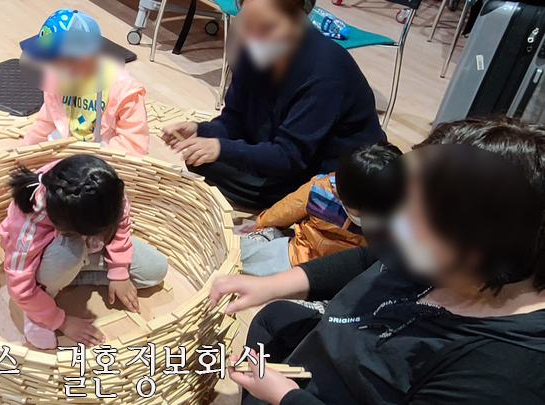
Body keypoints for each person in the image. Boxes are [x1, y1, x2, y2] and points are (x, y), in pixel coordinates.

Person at [210, 117, 545, 405]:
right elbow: (368, 259)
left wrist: (287, 397)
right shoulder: (438, 255)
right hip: (318, 361)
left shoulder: (501, 373)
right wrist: (268, 286)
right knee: (273, 319)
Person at [161, 0, 385, 209]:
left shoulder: (325, 71)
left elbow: (291, 156)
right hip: (284, 155)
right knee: (201, 159)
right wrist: (202, 131)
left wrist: (222, 149)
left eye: (265, 27)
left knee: (218, 157)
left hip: (332, 177)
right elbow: (235, 119)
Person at [0, 155, 168, 349]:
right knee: (69, 253)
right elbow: (20, 287)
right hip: (51, 257)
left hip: (85, 241)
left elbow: (121, 224)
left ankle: (66, 279)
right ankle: (40, 304)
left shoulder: (107, 187)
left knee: (155, 270)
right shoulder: (29, 222)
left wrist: (119, 271)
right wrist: (61, 321)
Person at [239, 141, 402, 276]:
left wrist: (260, 224)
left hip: (298, 259)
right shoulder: (399, 218)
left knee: (242, 255)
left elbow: (283, 211)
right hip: (345, 277)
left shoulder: (321, 189)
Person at [18, 9, 150, 156]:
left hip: (104, 159)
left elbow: (134, 146)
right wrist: (22, 152)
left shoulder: (124, 91)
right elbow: (46, 123)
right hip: (66, 151)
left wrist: (93, 161)